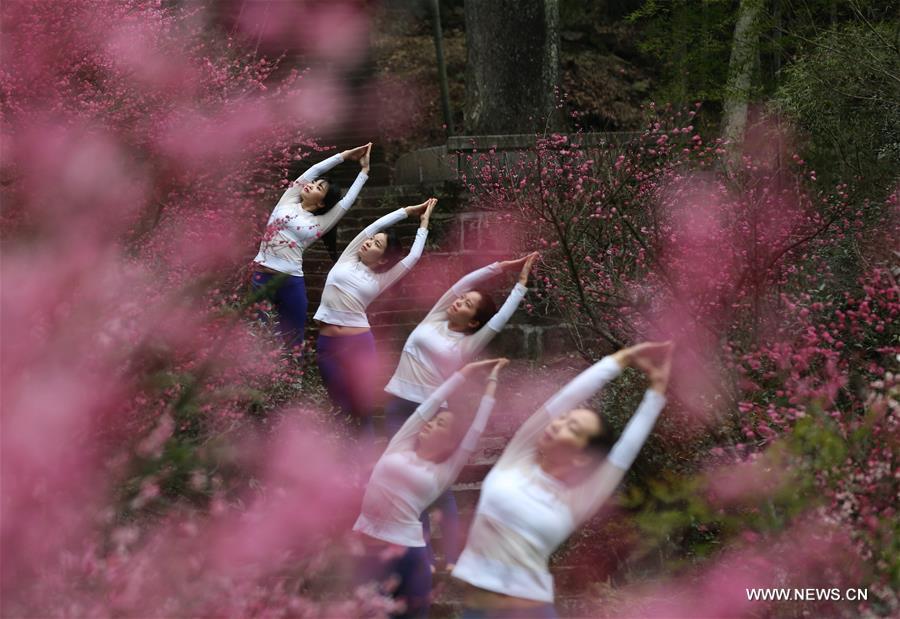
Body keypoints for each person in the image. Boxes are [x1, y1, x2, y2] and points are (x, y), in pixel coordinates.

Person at [451, 341, 675, 619]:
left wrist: (656, 391)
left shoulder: (577, 499)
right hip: (477, 610)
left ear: (582, 457)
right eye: (563, 419)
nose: (558, 423)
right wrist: (621, 358)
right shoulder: (515, 461)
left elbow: (625, 452)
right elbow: (565, 399)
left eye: (573, 428)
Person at [382, 252, 538, 570]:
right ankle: (422, 556)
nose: (459, 303)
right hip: (398, 408)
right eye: (462, 301)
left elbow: (498, 320)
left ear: (473, 323)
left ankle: (453, 557)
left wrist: (520, 286)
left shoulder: (468, 343)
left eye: (467, 306)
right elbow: (461, 285)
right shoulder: (435, 317)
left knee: (437, 486)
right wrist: (498, 268)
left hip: (431, 413)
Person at [354, 358, 510, 619]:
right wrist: (464, 373)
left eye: (440, 425)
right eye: (433, 421)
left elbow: (475, 430)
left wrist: (491, 383)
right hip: (370, 549)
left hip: (410, 557)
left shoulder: (442, 473)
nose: (430, 423)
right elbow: (426, 408)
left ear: (450, 442)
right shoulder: (401, 444)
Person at [314, 198, 438, 436]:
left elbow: (412, 258)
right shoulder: (348, 257)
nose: (368, 242)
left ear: (382, 259)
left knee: (365, 407)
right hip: (327, 345)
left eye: (375, 244)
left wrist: (424, 224)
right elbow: (372, 227)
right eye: (371, 240)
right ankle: (343, 462)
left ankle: (365, 462)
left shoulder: (381, 279)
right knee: (340, 406)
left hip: (358, 343)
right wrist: (406, 210)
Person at [251, 143, 372, 348]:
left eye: (319, 188)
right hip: (262, 277)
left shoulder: (320, 223)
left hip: (291, 282)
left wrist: (364, 171)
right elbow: (314, 170)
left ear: (322, 203)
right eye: (314, 183)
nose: (311, 184)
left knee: (292, 338)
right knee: (260, 335)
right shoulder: (287, 200)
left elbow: (347, 201)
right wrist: (344, 155)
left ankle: (293, 381)